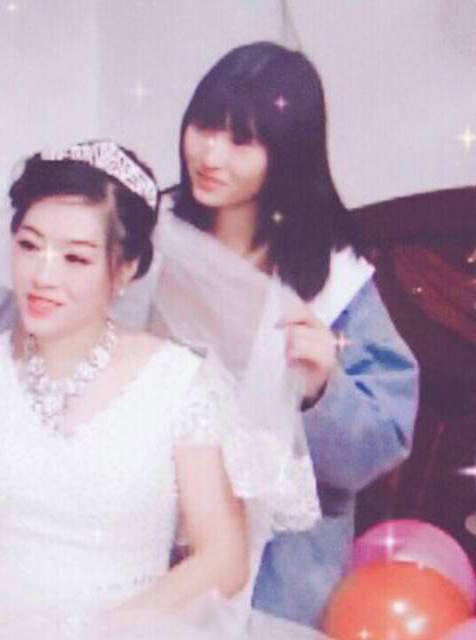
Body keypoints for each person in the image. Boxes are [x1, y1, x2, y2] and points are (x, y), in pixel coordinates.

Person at [0, 141, 326, 639]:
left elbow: (223, 557)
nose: (43, 276)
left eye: (75, 258)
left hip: (131, 625)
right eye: (30, 246)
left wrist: (100, 631)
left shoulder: (178, 384)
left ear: (125, 269)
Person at [169, 42, 419, 626]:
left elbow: (382, 441)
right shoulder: (152, 240)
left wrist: (322, 390)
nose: (210, 154)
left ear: (288, 152)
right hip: (152, 545)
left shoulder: (335, 281)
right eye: (203, 126)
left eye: (241, 140)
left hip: (277, 580)